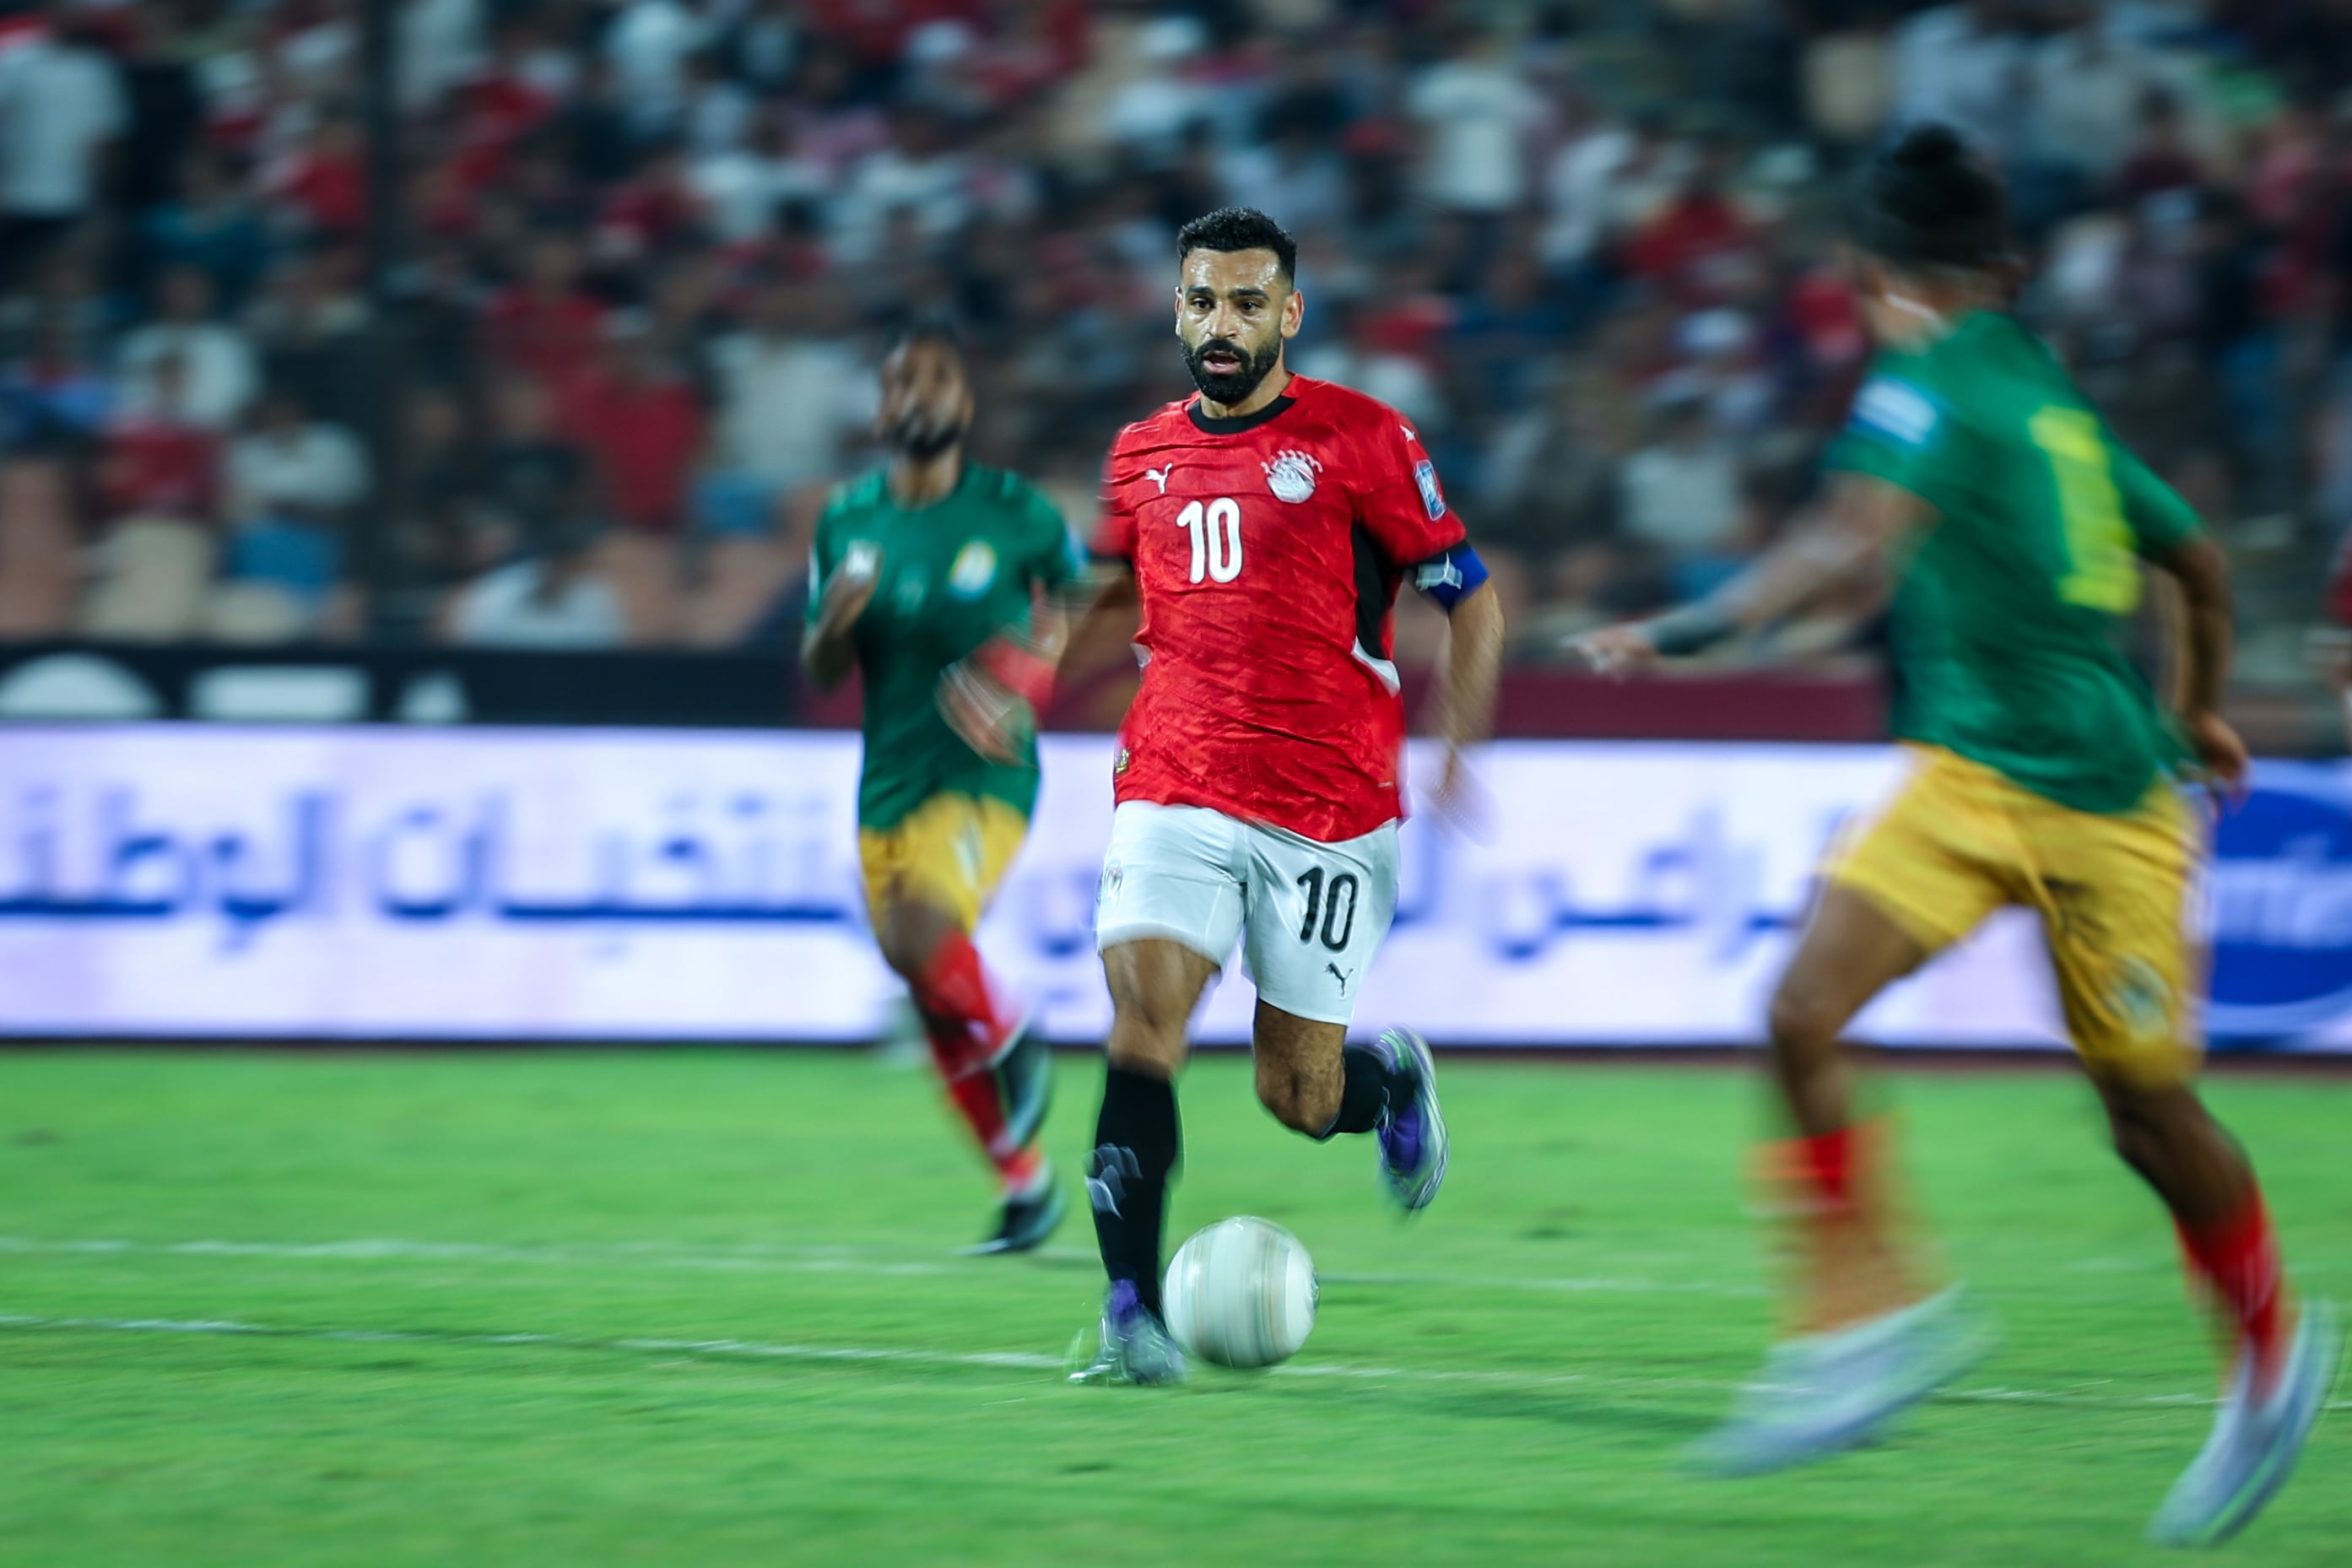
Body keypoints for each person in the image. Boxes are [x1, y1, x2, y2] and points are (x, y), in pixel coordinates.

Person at [1574, 125, 2338, 1546]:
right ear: (2006, 267)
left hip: (2101, 802)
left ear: (1870, 274)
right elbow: (2198, 560)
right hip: (1977, 774)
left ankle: (2273, 1355)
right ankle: (1872, 1323)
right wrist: (2204, 710)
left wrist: (1684, 626)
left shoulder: (1921, 378)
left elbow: (1845, 546)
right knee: (1801, 1006)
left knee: (2145, 1114)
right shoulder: (2048, 392)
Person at [1060, 208, 1506, 1386]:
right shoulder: (1140, 453)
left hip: (1328, 806)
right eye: (1202, 300)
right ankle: (1126, 1309)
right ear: (1175, 308)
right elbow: (1118, 588)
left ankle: (1388, 1075)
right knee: (1141, 1014)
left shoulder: (1363, 439)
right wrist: (1021, 674)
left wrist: (1459, 744)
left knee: (1297, 1096)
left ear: (1287, 314)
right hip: (1174, 778)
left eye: (1247, 302)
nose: (1221, 323)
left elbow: (1468, 596)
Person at [801, 319, 1077, 1255]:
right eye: (901, 381)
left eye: (938, 379)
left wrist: (1023, 678)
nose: (919, 394)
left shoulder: (1015, 513)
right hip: (887, 786)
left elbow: (1088, 602)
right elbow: (821, 667)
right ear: (882, 409)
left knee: (926, 934)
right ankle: (1025, 1185)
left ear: (965, 404)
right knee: (924, 987)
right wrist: (834, 618)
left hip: (986, 776)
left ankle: (1017, 1034)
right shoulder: (847, 519)